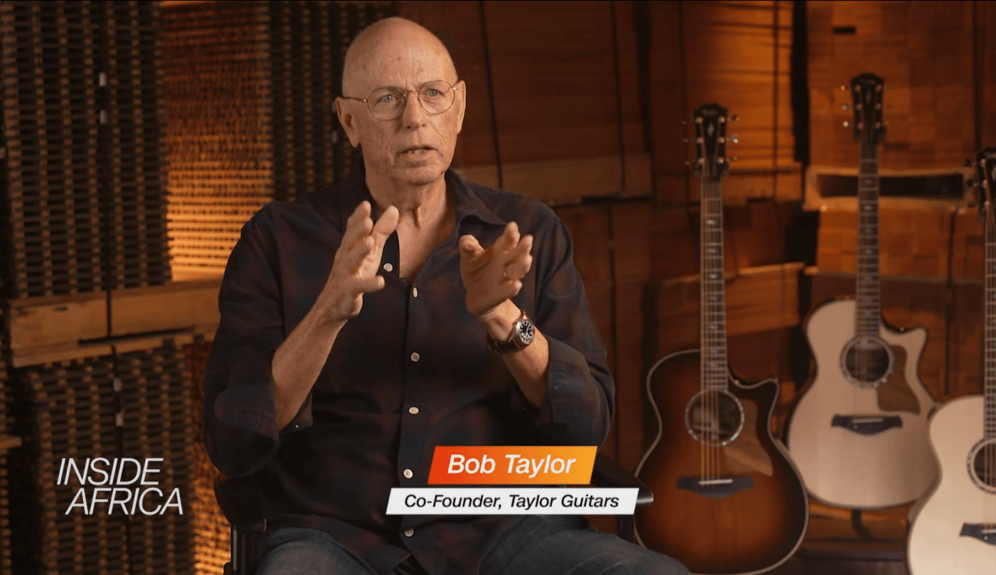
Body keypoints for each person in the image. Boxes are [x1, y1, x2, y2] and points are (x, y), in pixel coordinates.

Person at [204, 16, 688, 575]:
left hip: (508, 529)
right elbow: (233, 441)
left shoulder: (528, 231)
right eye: (387, 98)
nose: (415, 119)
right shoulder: (277, 240)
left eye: (432, 94)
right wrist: (326, 315)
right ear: (349, 120)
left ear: (457, 109)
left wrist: (504, 319)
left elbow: (586, 427)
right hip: (333, 535)